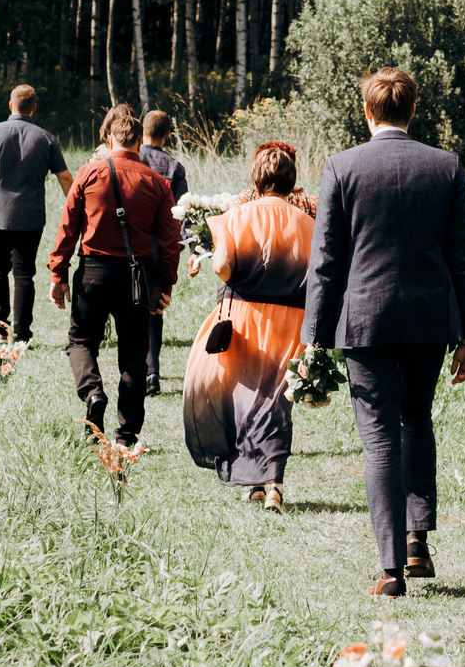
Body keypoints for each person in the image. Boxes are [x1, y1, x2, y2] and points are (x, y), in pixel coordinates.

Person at [301, 68, 465, 598]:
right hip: (429, 320)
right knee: (416, 418)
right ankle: (417, 540)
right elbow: (464, 258)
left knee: (379, 436)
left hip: (365, 321)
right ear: (412, 110)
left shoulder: (343, 166)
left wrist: (314, 335)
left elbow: (327, 260)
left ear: (368, 112)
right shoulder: (445, 166)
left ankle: (390, 568)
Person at [181, 140, 315, 511]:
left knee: (243, 396)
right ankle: (274, 483)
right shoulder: (309, 222)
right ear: (291, 181)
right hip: (292, 319)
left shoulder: (237, 216)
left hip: (245, 317)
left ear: (256, 181)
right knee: (277, 398)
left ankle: (255, 480)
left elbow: (223, 266)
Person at [47, 104, 183, 447]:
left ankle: (92, 392)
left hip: (93, 271)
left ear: (110, 139)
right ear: (139, 142)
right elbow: (169, 240)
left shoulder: (89, 173)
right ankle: (126, 435)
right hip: (137, 277)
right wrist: (165, 284)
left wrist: (58, 273)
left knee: (80, 342)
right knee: (134, 356)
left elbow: (68, 227)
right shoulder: (157, 182)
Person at [0, 84, 75, 343]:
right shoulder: (47, 138)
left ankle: (1, 330)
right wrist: (78, 210)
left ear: (10, 105)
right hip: (30, 217)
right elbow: (65, 177)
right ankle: (22, 334)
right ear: (34, 108)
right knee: (25, 273)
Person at [138, 110, 191, 392]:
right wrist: (189, 249)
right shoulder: (173, 167)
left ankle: (132, 369)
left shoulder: (131, 161)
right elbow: (182, 213)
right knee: (153, 312)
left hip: (130, 246)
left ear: (141, 131)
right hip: (159, 250)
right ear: (168, 135)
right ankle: (151, 373)